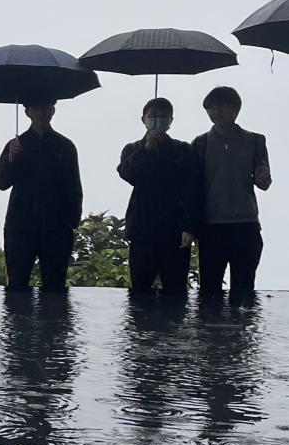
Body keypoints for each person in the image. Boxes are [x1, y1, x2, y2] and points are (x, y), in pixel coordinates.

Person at [0, 102, 82, 292]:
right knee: (17, 287)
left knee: (55, 289)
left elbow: (74, 187)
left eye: (46, 108)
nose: (41, 113)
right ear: (27, 112)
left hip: (56, 229)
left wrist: (71, 223)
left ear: (53, 110)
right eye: (36, 108)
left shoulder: (65, 146)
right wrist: (11, 159)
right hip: (20, 227)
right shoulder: (16, 145)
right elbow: (1, 182)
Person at [191, 85, 271, 297]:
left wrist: (262, 178)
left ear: (236, 109)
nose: (217, 112)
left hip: (245, 224)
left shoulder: (255, 141)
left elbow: (264, 182)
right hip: (210, 226)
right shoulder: (199, 144)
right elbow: (192, 187)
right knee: (209, 293)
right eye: (211, 108)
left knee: (244, 292)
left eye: (223, 106)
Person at [116, 96, 198, 296]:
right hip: (142, 233)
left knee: (176, 295)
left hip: (175, 234)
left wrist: (189, 227)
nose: (157, 120)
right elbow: (128, 174)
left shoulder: (183, 150)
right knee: (139, 294)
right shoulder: (132, 149)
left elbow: (192, 190)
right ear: (143, 119)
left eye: (163, 116)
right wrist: (146, 150)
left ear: (170, 121)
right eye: (152, 115)